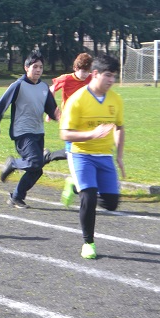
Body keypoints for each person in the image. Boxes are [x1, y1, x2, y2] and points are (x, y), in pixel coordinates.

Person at [59, 54, 125, 260]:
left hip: (104, 155)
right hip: (81, 154)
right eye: (107, 75)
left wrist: (120, 156)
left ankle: (73, 184)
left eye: (114, 76)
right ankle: (88, 243)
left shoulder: (115, 99)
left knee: (112, 203)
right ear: (95, 74)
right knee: (88, 197)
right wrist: (91, 134)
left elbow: (120, 127)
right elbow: (65, 134)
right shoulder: (77, 100)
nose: (111, 80)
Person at [0, 51, 63, 209]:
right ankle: (13, 163)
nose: (38, 70)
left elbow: (51, 109)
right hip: (22, 132)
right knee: (35, 162)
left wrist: (58, 116)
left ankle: (16, 197)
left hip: (38, 132)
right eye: (35, 66)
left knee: (37, 170)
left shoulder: (44, 87)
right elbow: (1, 105)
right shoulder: (18, 85)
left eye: (41, 67)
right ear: (26, 67)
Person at [50, 53, 94, 206]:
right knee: (73, 154)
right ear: (75, 68)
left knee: (88, 154)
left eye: (87, 71)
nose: (85, 74)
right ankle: (73, 183)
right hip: (69, 123)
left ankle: (77, 182)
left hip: (86, 123)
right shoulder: (66, 79)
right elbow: (51, 90)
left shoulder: (91, 78)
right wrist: (51, 110)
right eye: (82, 71)